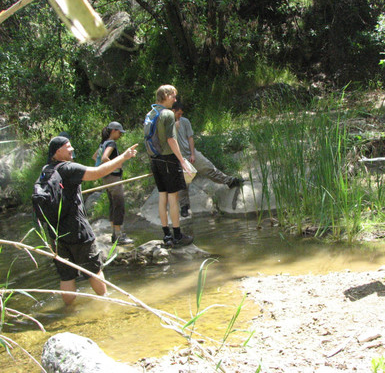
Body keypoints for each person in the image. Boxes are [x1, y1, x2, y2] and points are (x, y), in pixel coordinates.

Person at [44, 136, 138, 304]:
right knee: (94, 270)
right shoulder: (68, 168)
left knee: (66, 276)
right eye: (68, 146)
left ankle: (68, 311)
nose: (72, 149)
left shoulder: (46, 171)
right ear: (58, 151)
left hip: (55, 233)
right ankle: (106, 305)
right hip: (77, 231)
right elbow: (98, 172)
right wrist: (123, 157)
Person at [172, 101, 244, 217]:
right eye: (178, 113)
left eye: (181, 114)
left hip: (190, 153)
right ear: (173, 111)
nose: (180, 116)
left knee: (209, 167)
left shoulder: (185, 122)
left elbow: (190, 138)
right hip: (177, 157)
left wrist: (193, 154)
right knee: (182, 183)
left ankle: (230, 181)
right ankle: (184, 207)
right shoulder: (167, 124)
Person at [146, 85, 194, 246]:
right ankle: (178, 235)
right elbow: (171, 140)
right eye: (173, 96)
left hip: (155, 160)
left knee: (162, 196)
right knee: (173, 197)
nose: (175, 99)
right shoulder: (167, 114)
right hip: (168, 160)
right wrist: (182, 160)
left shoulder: (151, 113)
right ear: (166, 96)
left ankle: (166, 235)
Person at [92, 121, 134, 245]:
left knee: (112, 205)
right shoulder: (111, 143)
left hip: (105, 178)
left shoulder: (103, 143)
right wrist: (116, 165)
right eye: (119, 132)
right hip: (113, 178)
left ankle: (114, 234)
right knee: (119, 204)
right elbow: (105, 158)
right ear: (113, 131)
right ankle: (119, 235)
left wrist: (105, 167)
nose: (120, 135)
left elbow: (95, 157)